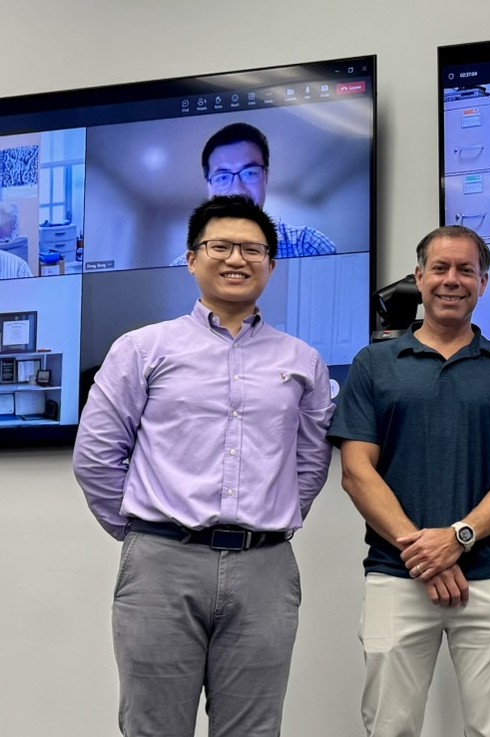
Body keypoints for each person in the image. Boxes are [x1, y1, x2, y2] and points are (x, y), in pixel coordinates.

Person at [72, 194, 335, 736]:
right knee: (154, 727)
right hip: (161, 564)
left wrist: (271, 520)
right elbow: (96, 455)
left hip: (265, 568)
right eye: (221, 246)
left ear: (272, 264)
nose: (236, 259)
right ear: (192, 258)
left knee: (253, 730)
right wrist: (142, 533)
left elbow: (310, 463)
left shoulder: (301, 361)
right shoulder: (142, 349)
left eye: (252, 249)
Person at [327, 224, 490, 737]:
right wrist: (425, 554)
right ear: (419, 277)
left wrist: (457, 537)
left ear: (483, 283)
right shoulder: (373, 364)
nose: (453, 280)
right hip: (397, 576)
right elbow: (357, 474)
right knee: (390, 728)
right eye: (441, 268)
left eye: (466, 270)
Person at [171, 122, 337, 264]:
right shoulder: (183, 266)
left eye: (249, 173)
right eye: (222, 177)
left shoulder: (309, 247)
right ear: (209, 187)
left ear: (265, 177)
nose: (237, 189)